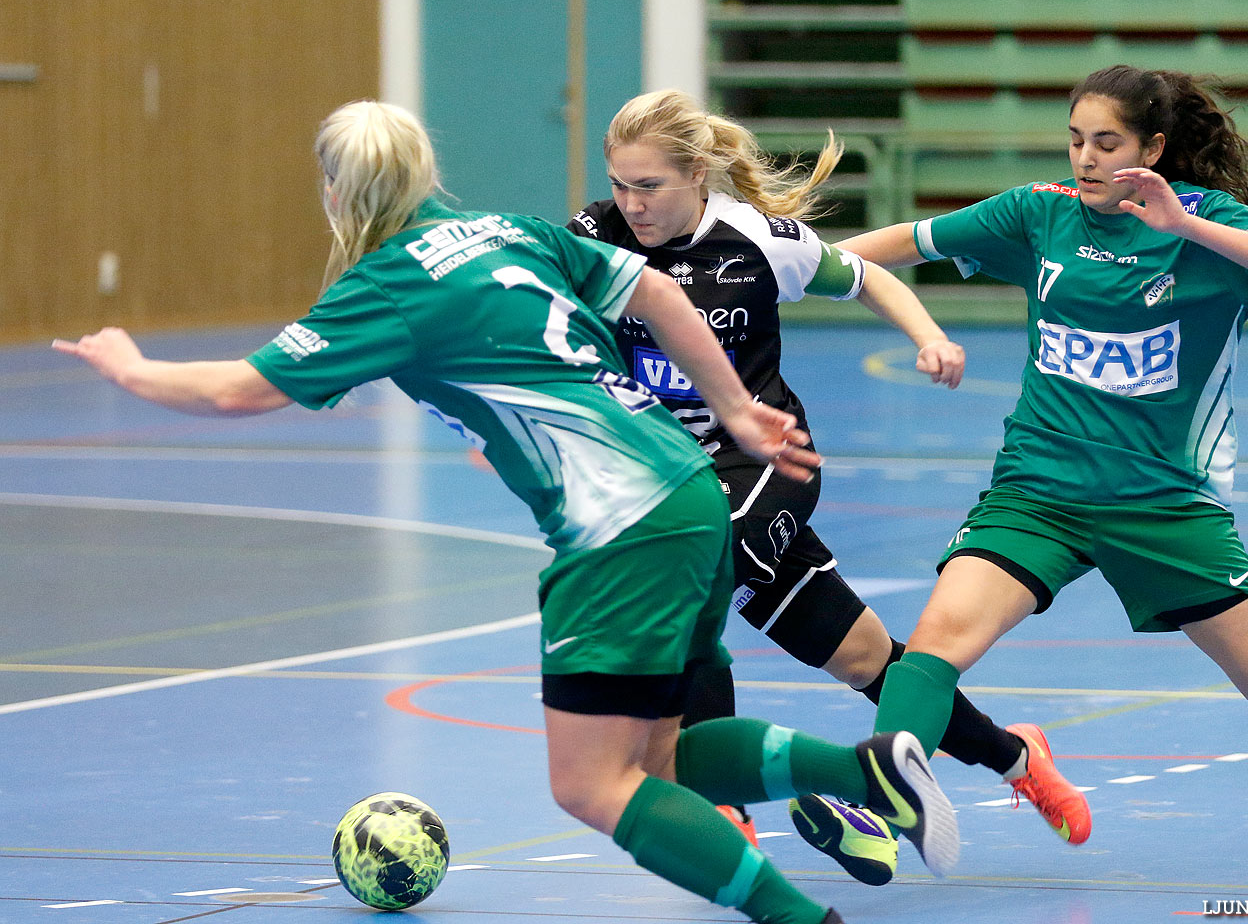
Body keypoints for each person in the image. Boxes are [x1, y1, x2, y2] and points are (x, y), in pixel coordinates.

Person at [53, 100, 964, 924]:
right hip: (689, 490)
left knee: (592, 786)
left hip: (618, 529)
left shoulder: (388, 286)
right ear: (423, 172)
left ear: (337, 193)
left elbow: (239, 391)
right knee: (662, 761)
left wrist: (132, 368)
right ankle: (867, 772)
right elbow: (652, 291)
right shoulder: (505, 230)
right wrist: (730, 409)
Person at [818, 64, 1248, 882]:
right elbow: (907, 242)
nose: (1087, 159)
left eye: (1108, 143)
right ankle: (877, 811)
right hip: (1038, 492)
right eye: (1076, 141)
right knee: (934, 646)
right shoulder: (1042, 213)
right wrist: (784, 271)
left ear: (1155, 148)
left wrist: (1186, 225)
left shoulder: (1210, 226)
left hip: (1164, 506)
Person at [566, 89, 1091, 883]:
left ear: (699, 174)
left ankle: (732, 816)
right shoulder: (593, 236)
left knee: (700, 563)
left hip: (765, 461)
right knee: (864, 658)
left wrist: (930, 336)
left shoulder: (755, 240)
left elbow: (868, 276)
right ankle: (1018, 757)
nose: (631, 204)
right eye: (620, 185)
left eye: (650, 187)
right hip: (661, 476)